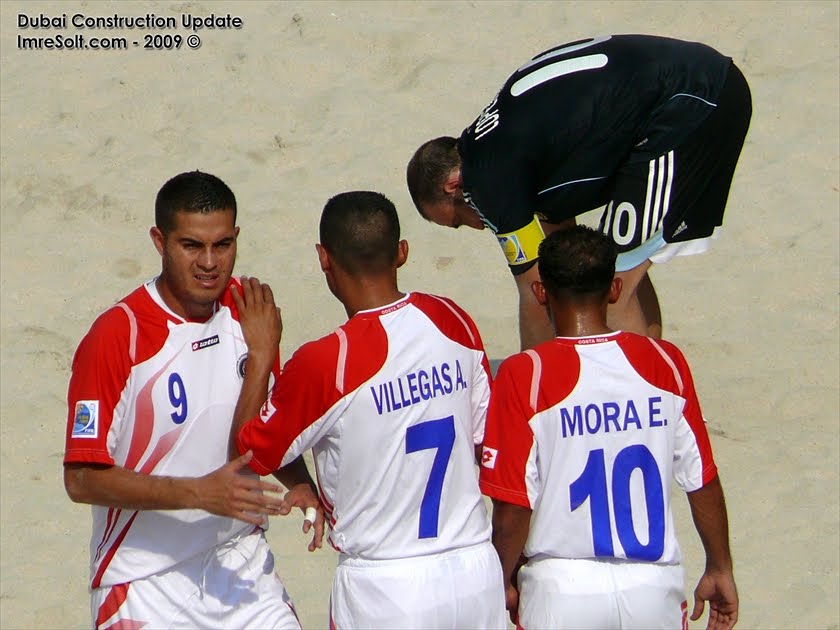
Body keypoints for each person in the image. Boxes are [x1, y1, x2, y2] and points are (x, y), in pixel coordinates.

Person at [228, 191, 507, 629]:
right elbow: (487, 446)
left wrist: (261, 354)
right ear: (402, 252)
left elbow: (248, 450)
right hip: (475, 570)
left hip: (385, 588)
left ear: (324, 258)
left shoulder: (327, 360)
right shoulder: (452, 319)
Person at [63, 170, 320, 629]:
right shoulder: (118, 335)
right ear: (159, 241)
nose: (209, 263)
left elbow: (257, 429)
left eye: (223, 245)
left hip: (240, 562)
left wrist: (298, 480)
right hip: (143, 582)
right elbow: (81, 479)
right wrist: (199, 493)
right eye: (191, 246)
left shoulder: (250, 311)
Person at [407, 34, 752, 348]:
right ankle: (651, 369)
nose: (478, 225)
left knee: (609, 285)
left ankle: (638, 389)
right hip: (694, 85)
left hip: (694, 101)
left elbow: (535, 293)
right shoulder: (502, 147)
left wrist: (535, 383)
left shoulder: (484, 180)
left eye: (458, 220)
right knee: (612, 266)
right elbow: (560, 258)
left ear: (452, 186)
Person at [478, 225, 738, 629]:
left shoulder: (525, 373)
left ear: (541, 292)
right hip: (652, 587)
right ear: (615, 289)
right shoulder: (664, 362)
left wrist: (502, 577)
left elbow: (514, 504)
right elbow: (701, 478)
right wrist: (720, 566)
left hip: (562, 589)